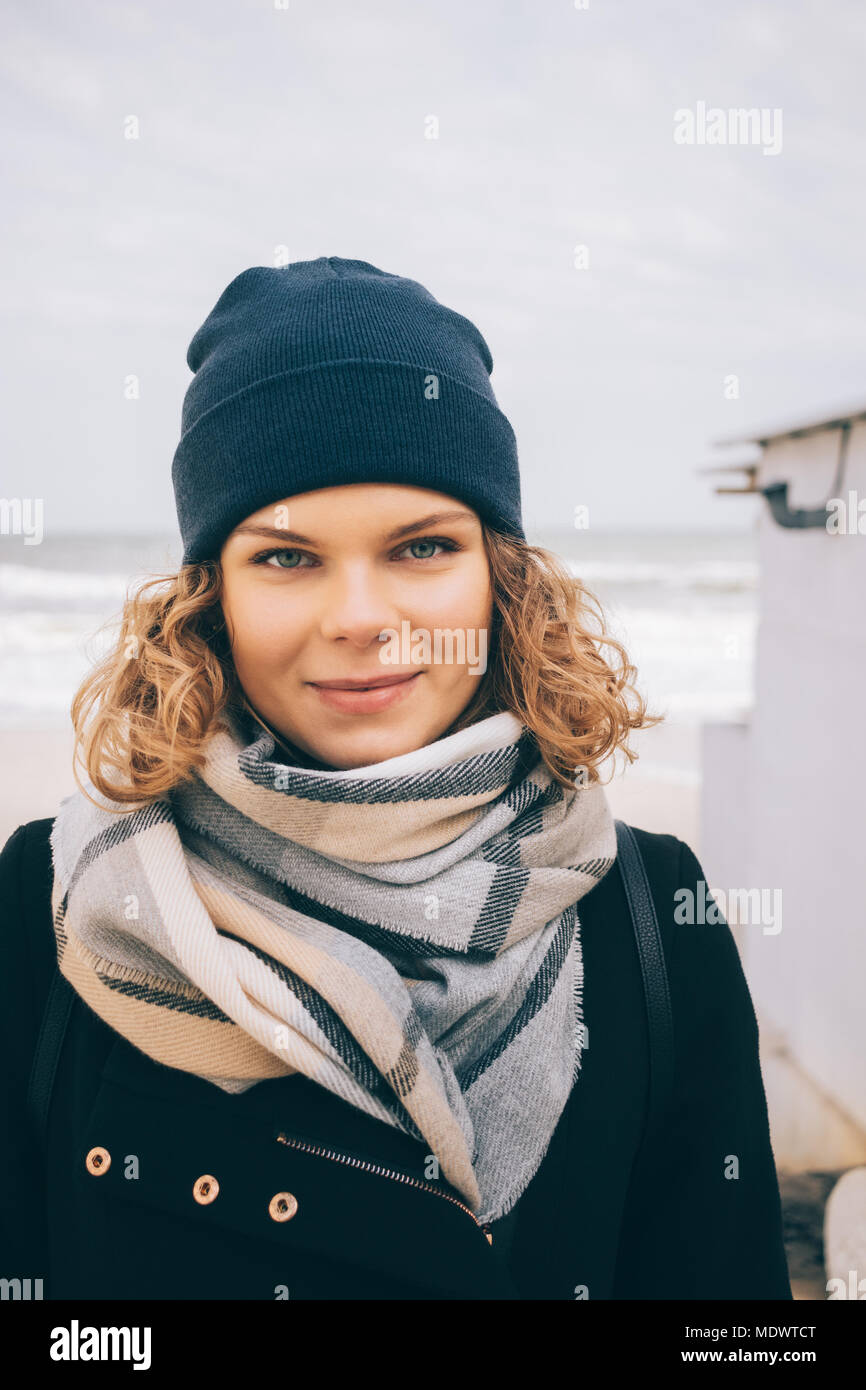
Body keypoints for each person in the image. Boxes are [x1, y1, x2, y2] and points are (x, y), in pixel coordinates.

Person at [0, 257, 791, 1300]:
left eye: (420, 546)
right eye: (286, 558)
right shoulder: (51, 903)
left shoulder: (649, 916)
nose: (362, 617)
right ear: (209, 598)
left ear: (500, 578)